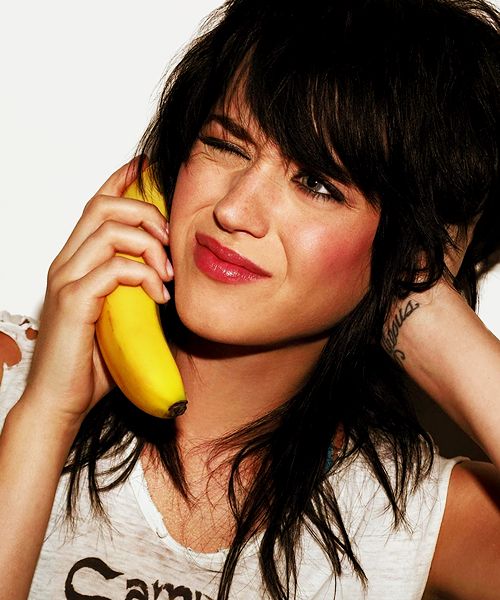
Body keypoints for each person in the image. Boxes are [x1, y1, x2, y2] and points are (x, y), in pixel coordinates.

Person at [1, 0, 500, 597]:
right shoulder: (13, 379)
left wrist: (429, 309)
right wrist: (46, 417)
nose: (233, 210)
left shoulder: (412, 518)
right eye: (226, 145)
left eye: (316, 183)